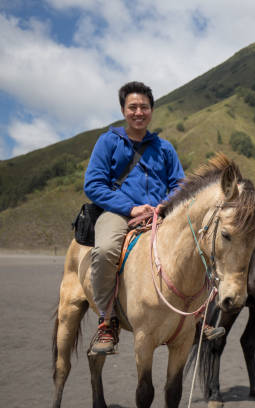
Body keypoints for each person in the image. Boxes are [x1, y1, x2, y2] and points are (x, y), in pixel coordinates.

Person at [84, 81, 185, 354]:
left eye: (144, 107)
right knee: (105, 251)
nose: (138, 112)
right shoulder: (108, 142)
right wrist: (130, 208)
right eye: (133, 107)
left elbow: (180, 184)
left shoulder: (164, 148)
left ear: (151, 110)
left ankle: (196, 317)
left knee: (196, 245)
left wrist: (164, 206)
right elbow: (94, 185)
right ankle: (107, 321)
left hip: (160, 215)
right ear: (123, 110)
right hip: (119, 213)